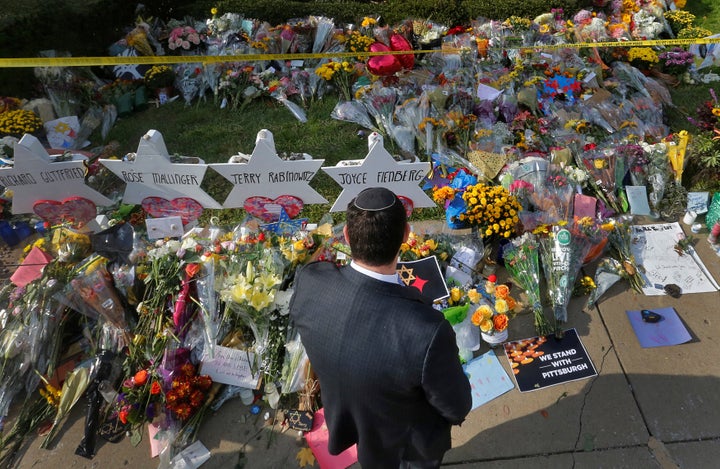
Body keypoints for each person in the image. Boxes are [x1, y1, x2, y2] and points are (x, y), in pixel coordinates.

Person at [289, 187, 472, 468]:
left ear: (347, 236)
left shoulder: (311, 282)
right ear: (406, 235)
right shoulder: (425, 331)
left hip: (348, 416)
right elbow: (455, 405)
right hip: (406, 445)